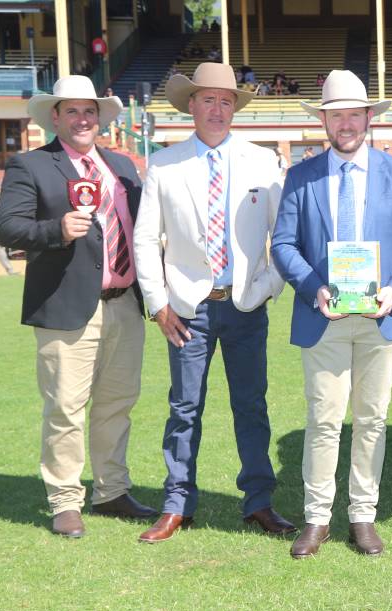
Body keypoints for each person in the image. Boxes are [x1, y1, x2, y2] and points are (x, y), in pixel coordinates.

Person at [272, 70, 392, 559]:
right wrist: (313, 287)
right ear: (324, 120)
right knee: (323, 420)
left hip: (381, 317)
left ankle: (363, 516)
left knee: (372, 420)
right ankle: (317, 518)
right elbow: (282, 245)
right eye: (336, 114)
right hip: (324, 317)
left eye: (353, 114)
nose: (345, 123)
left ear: (369, 118)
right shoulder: (301, 176)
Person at [132, 63, 294, 543]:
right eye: (208, 100)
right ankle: (177, 504)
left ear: (234, 109)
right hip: (186, 311)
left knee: (252, 407)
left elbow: (282, 236)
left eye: (226, 101)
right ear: (191, 106)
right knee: (184, 408)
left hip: (245, 305)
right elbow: (146, 240)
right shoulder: (163, 163)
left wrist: (266, 287)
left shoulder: (263, 163)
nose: (218, 110)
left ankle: (259, 502)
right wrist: (159, 303)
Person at [0, 75, 156, 537]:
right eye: (73, 111)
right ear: (55, 117)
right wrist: (55, 230)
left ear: (100, 118)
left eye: (90, 111)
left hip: (124, 302)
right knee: (65, 406)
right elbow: (8, 229)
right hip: (66, 304)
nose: (83, 119)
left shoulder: (123, 166)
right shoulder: (31, 165)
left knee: (117, 403)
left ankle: (112, 491)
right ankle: (65, 499)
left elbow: (142, 227)